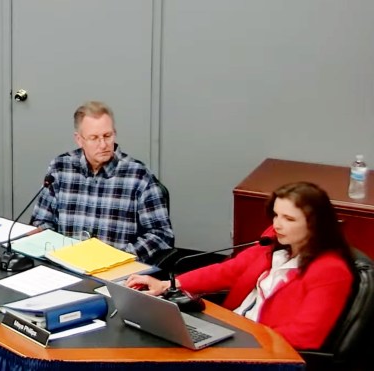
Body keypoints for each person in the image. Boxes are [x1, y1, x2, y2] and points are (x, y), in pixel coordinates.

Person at [126, 182, 354, 350]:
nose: (277, 225)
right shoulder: (274, 243)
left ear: (315, 225)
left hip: (262, 349)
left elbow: (306, 336)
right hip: (233, 332)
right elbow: (228, 271)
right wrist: (167, 284)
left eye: (289, 219)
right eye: (275, 215)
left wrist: (243, 335)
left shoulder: (330, 271)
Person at [29, 101, 173, 262]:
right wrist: (57, 250)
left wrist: (122, 257)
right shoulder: (61, 168)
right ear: (79, 139)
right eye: (94, 138)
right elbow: (41, 221)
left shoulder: (137, 175)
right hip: (67, 265)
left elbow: (161, 235)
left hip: (115, 270)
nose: (103, 144)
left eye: (107, 136)